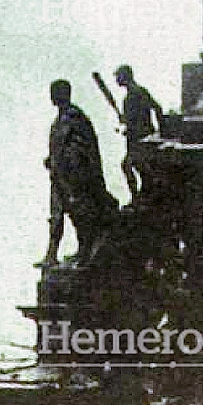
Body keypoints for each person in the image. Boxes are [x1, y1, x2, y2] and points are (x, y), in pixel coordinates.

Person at [43, 79, 119, 266]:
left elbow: (81, 148)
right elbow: (61, 146)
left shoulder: (74, 117)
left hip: (73, 177)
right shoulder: (62, 118)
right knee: (57, 215)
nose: (52, 96)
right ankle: (52, 255)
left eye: (55, 92)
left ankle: (84, 253)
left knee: (79, 216)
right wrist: (52, 160)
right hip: (60, 176)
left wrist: (73, 170)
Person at [114, 65, 164, 203]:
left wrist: (126, 124)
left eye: (118, 76)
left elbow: (136, 120)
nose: (117, 79)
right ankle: (142, 194)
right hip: (140, 138)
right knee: (137, 166)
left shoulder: (133, 95)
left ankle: (137, 197)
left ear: (125, 76)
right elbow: (156, 108)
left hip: (139, 140)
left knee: (129, 165)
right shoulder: (140, 92)